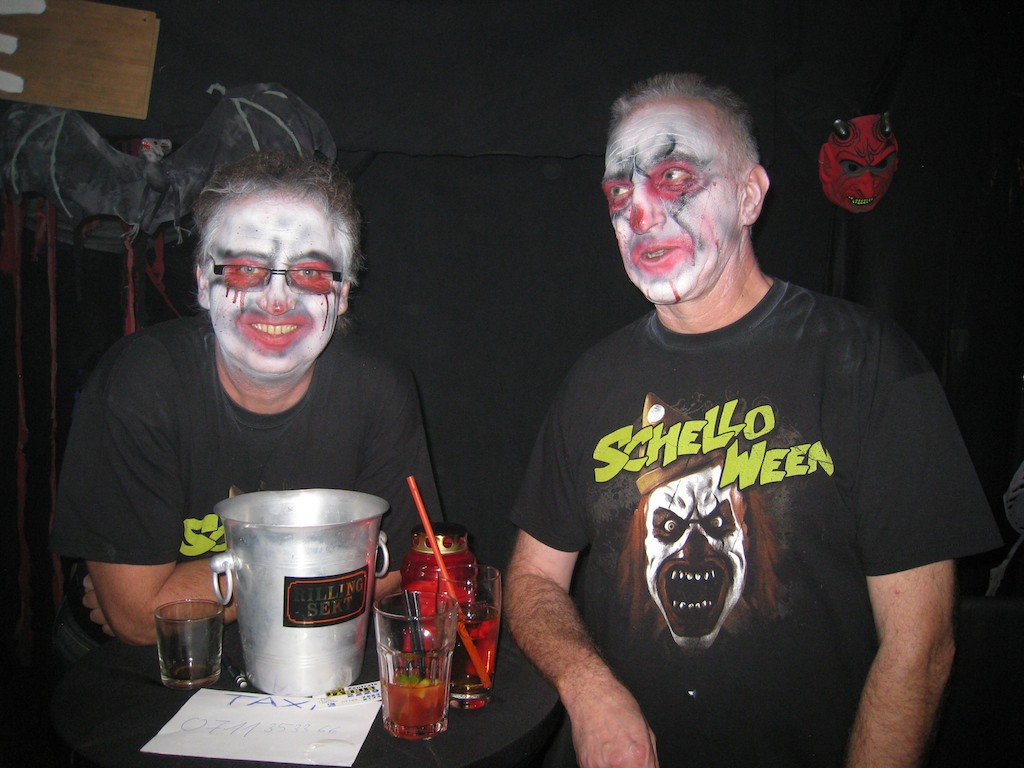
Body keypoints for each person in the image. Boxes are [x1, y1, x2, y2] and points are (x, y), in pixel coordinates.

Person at [504, 73, 1002, 768]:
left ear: (748, 196)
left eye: (674, 177)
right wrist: (588, 688)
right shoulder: (594, 380)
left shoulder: (866, 362)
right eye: (619, 192)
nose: (639, 212)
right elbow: (531, 580)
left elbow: (920, 648)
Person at [50, 150, 440, 667]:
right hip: (136, 667)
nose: (277, 299)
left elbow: (395, 570)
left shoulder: (378, 389)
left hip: (307, 654)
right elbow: (138, 621)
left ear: (344, 293)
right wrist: (336, 562)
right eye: (246, 269)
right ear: (201, 281)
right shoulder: (139, 382)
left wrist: (190, 591)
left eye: (309, 272)